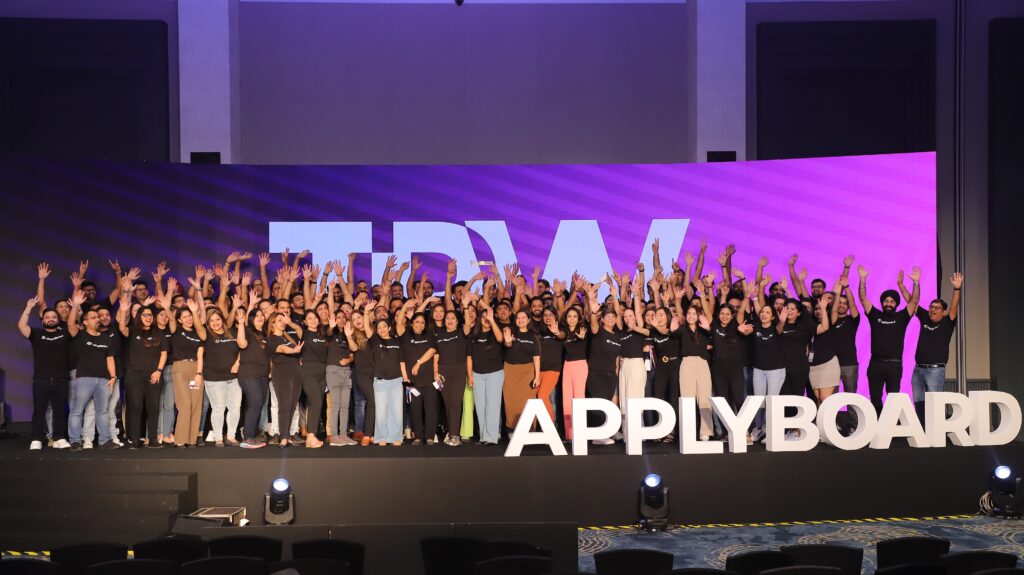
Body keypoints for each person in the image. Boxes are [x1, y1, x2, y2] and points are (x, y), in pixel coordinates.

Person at [859, 265, 920, 414]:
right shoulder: (875, 315)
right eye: (886, 301)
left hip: (894, 365)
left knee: (893, 399)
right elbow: (863, 298)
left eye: (892, 301)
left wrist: (916, 283)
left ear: (896, 304)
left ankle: (891, 424)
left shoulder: (902, 317)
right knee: (875, 398)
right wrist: (863, 280)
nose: (888, 303)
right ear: (882, 303)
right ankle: (878, 422)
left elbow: (914, 302)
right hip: (875, 365)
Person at [19, 295, 73, 450]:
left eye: (53, 317)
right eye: (47, 317)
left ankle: (59, 438)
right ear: (42, 320)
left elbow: (73, 325)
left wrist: (75, 307)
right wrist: (29, 307)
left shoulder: (65, 334)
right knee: (39, 410)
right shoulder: (36, 334)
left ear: (58, 319)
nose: (50, 319)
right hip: (41, 379)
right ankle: (36, 438)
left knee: (59, 410)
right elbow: (22, 326)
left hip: (61, 379)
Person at [117, 286, 168, 449]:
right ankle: (134, 439)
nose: (148, 317)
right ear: (139, 317)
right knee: (135, 406)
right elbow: (122, 328)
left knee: (153, 407)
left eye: (150, 315)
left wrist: (158, 371)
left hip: (154, 375)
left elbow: (164, 353)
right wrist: (123, 311)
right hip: (134, 376)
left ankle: (152, 439)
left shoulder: (158, 333)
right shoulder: (133, 331)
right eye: (145, 315)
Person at [66, 302, 119, 451]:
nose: (98, 319)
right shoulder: (80, 335)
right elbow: (70, 324)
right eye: (93, 317)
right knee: (77, 411)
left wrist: (113, 377)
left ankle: (104, 440)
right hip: (84, 378)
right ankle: (75, 441)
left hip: (103, 380)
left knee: (102, 412)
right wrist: (75, 306)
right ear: (85, 322)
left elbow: (110, 358)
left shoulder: (106, 338)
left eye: (98, 317)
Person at [911, 272, 963, 421]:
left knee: (935, 403)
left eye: (937, 308)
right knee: (919, 402)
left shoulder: (947, 322)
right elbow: (911, 303)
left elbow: (953, 308)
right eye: (931, 307)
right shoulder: (925, 317)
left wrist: (957, 289)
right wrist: (904, 285)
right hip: (918, 369)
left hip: (935, 370)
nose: (933, 309)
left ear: (943, 311)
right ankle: (922, 428)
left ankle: (938, 429)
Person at [163, 288, 207, 448]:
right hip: (180, 369)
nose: (188, 319)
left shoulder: (198, 333)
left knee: (195, 405)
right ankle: (181, 439)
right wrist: (167, 306)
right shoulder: (176, 330)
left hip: (195, 370)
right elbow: (170, 318)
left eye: (190, 316)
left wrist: (199, 373)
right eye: (185, 317)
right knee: (185, 404)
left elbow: (200, 353)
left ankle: (191, 439)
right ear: (179, 320)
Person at [199, 305, 247, 447]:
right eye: (212, 321)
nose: (215, 323)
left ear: (222, 320)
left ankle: (231, 436)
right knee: (218, 408)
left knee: (235, 407)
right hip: (214, 378)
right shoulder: (206, 335)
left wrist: (237, 363)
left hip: (234, 378)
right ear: (208, 324)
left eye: (218, 319)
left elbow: (243, 347)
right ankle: (218, 437)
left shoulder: (232, 332)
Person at [677, 277, 715, 441]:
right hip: (686, 363)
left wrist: (702, 293)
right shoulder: (682, 329)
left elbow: (708, 311)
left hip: (702, 363)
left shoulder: (705, 329)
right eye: (689, 313)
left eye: (694, 313)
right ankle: (688, 431)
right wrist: (677, 300)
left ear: (699, 315)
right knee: (687, 399)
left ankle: (705, 431)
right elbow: (679, 312)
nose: (691, 316)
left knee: (704, 398)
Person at [364, 303, 404, 447]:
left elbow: (402, 361)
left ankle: (396, 437)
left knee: (396, 411)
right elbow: (367, 328)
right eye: (379, 327)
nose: (382, 329)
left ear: (389, 328)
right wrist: (366, 312)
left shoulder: (397, 341)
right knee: (381, 412)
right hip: (380, 381)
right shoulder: (375, 340)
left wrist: (405, 377)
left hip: (396, 380)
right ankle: (381, 436)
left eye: (384, 326)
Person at [398, 308, 438, 445]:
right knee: (415, 409)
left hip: (429, 379)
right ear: (411, 323)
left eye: (422, 322)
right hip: (412, 380)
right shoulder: (406, 336)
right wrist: (405, 306)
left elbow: (432, 350)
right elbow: (399, 323)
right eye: (417, 322)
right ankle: (418, 437)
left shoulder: (429, 335)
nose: (420, 325)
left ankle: (430, 436)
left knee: (430, 408)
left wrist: (418, 363)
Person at [434, 309, 472, 446]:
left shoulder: (462, 332)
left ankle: (455, 435)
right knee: (448, 403)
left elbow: (468, 324)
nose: (450, 321)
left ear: (457, 321)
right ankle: (451, 433)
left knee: (456, 403)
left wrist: (466, 307)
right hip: (443, 372)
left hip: (459, 371)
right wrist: (435, 372)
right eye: (447, 318)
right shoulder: (439, 335)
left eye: (453, 318)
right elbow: (436, 355)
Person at [267, 311, 304, 448]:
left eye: (283, 320)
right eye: (279, 320)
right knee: (284, 406)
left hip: (296, 374)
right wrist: (294, 351)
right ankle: (283, 437)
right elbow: (282, 349)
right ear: (272, 325)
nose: (283, 323)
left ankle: (287, 435)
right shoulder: (272, 339)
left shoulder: (287, 337)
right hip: (282, 374)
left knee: (292, 406)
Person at [470, 306, 505, 445]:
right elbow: (469, 356)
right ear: (480, 319)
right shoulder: (474, 335)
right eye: (484, 317)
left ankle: (491, 437)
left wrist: (492, 320)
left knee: (492, 406)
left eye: (488, 317)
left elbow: (501, 339)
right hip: (477, 374)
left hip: (494, 373)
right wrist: (470, 375)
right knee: (480, 406)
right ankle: (483, 437)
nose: (486, 319)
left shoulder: (496, 333)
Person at [502, 310, 541, 431]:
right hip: (510, 370)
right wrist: (508, 341)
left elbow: (536, 357)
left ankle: (529, 429)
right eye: (518, 317)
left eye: (523, 317)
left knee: (527, 400)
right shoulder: (510, 332)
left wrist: (537, 376)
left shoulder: (533, 336)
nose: (521, 320)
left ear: (529, 320)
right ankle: (512, 429)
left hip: (527, 370)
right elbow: (507, 345)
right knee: (510, 400)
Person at [238, 305, 271, 449]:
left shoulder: (265, 334)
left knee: (258, 403)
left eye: (261, 315)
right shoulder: (247, 331)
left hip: (263, 374)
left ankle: (251, 435)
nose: (260, 317)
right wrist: (241, 324)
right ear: (251, 319)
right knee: (256, 402)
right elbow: (241, 344)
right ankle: (248, 437)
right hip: (249, 373)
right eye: (257, 315)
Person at [325, 300, 357, 446]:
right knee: (336, 405)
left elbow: (353, 353)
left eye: (344, 317)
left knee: (345, 405)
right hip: (333, 370)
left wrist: (349, 360)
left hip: (346, 372)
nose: (342, 320)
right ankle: (334, 436)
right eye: (338, 317)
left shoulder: (347, 334)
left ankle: (343, 435)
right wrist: (331, 326)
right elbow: (328, 334)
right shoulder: (330, 333)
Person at [298, 309, 328, 448]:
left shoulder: (322, 334)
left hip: (322, 371)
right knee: (316, 402)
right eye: (309, 318)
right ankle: (310, 436)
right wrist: (289, 322)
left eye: (315, 317)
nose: (313, 320)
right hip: (309, 370)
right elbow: (295, 327)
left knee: (316, 404)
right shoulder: (304, 333)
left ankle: (311, 435)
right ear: (305, 321)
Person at [560, 305, 589, 441]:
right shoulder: (563, 332)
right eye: (569, 316)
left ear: (579, 318)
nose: (572, 319)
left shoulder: (584, 330)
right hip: (567, 365)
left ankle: (580, 432)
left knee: (579, 398)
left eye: (575, 316)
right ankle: (569, 434)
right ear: (566, 318)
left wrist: (583, 338)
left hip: (580, 365)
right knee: (567, 399)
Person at [347, 309, 376, 446]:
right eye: (353, 320)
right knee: (371, 401)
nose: (357, 321)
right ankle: (367, 434)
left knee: (375, 402)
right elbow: (353, 349)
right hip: (362, 373)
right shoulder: (354, 335)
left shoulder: (374, 331)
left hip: (377, 372)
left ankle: (374, 433)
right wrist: (348, 337)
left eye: (358, 317)